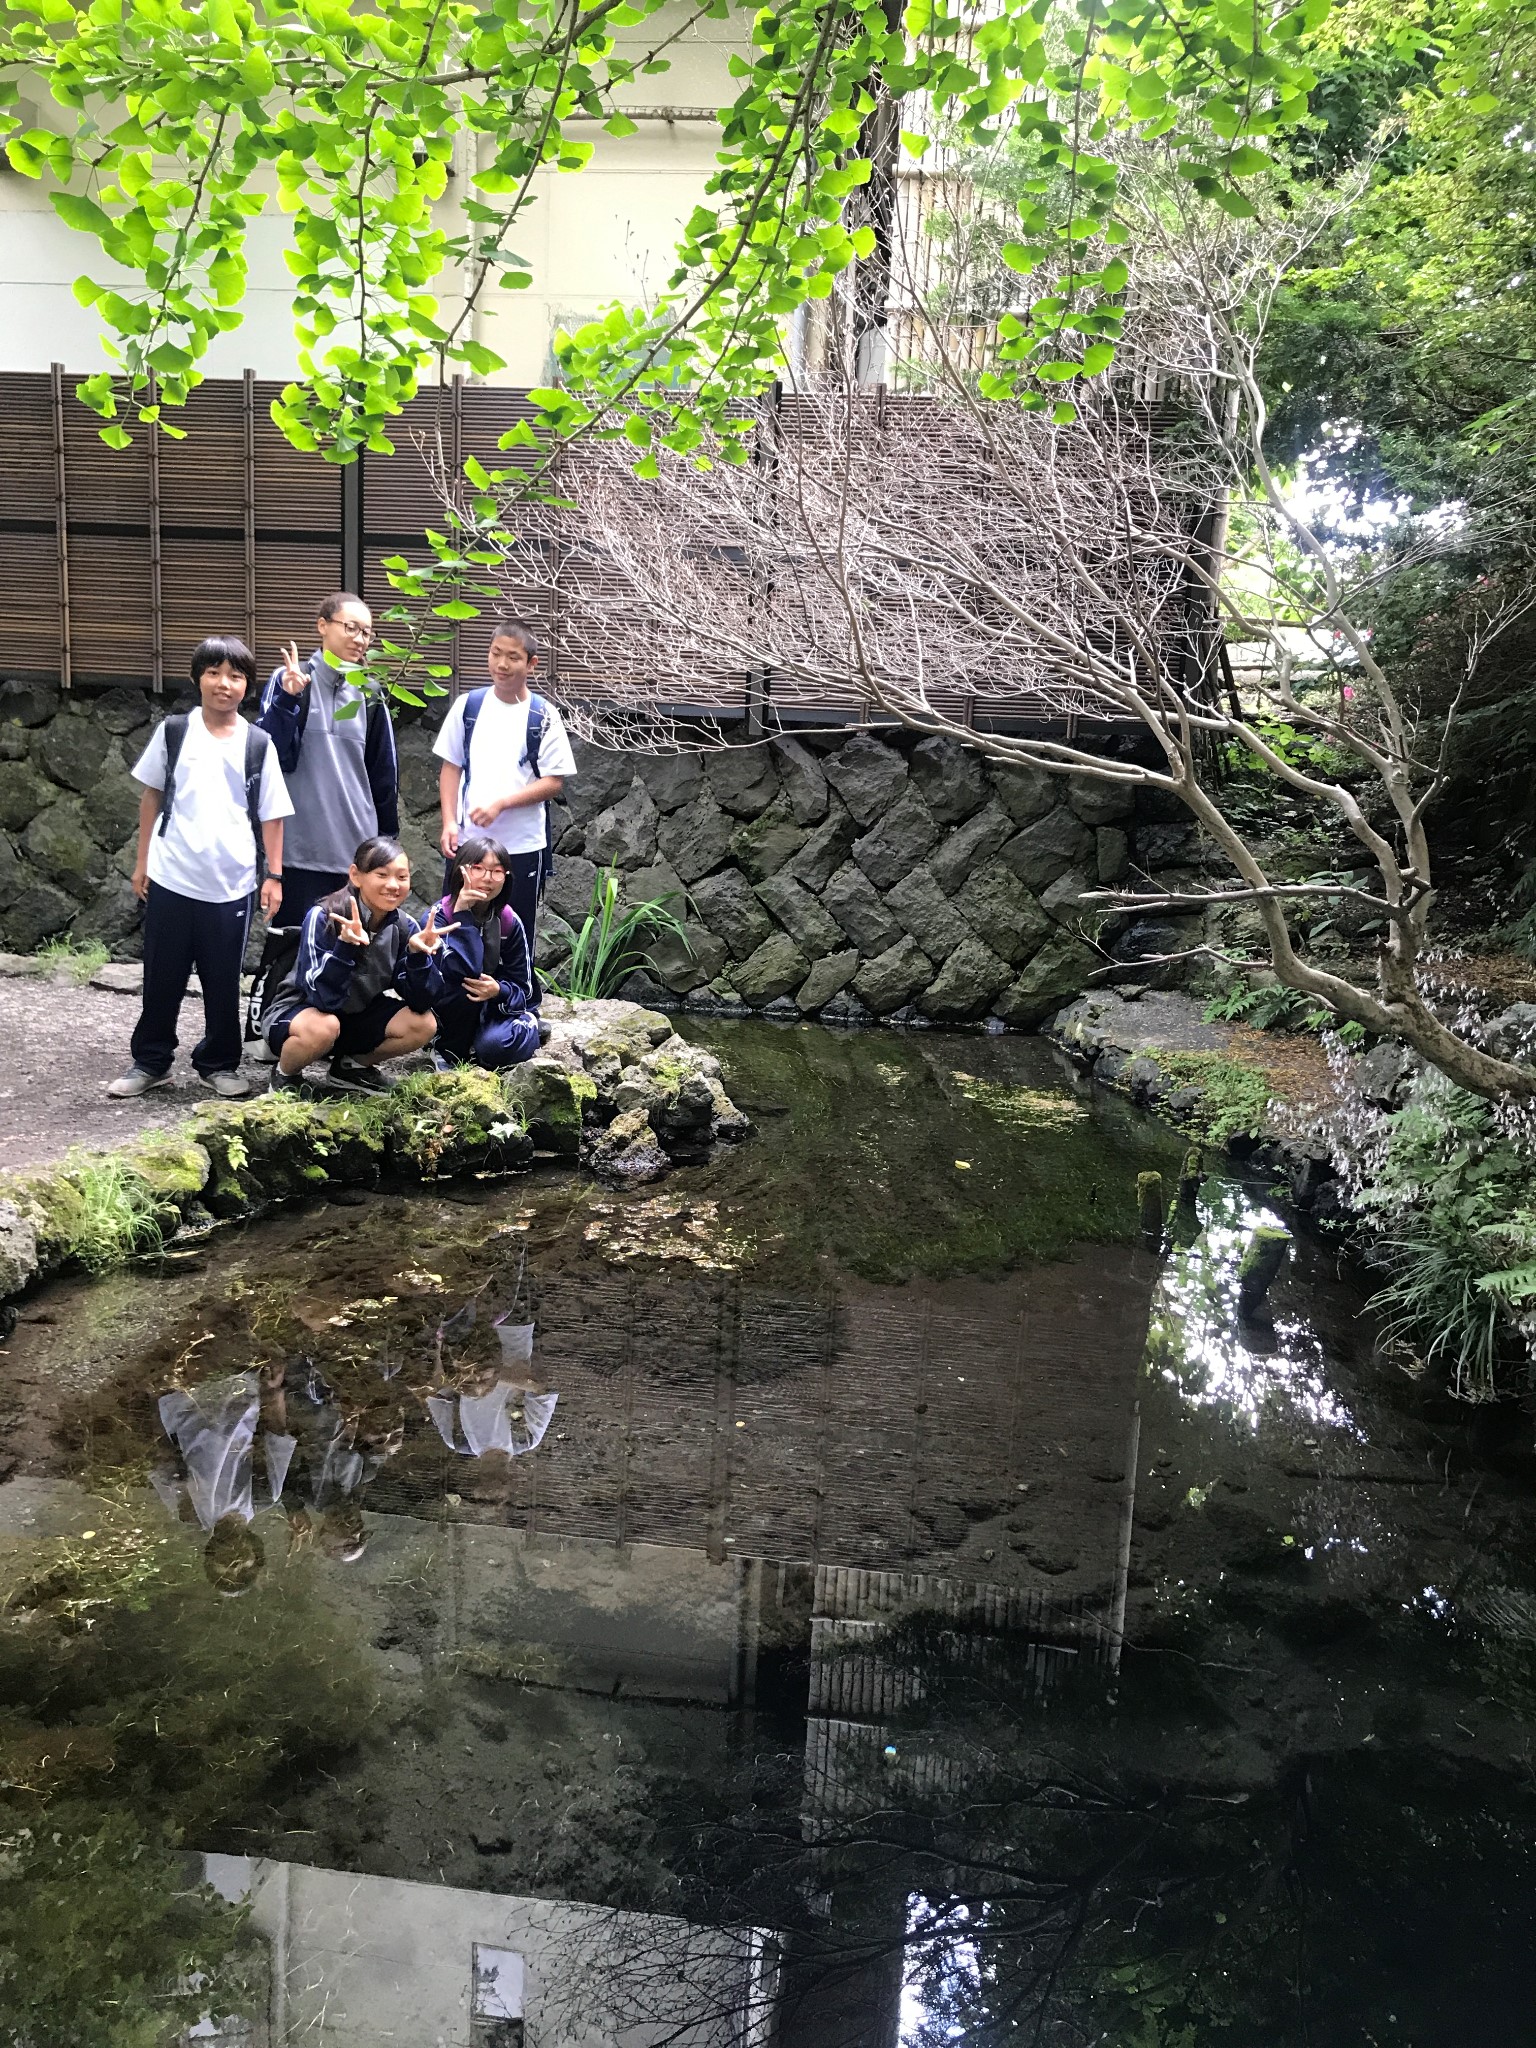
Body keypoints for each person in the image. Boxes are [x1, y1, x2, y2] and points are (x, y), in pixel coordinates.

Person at [108, 636, 291, 1101]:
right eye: (214, 673)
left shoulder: (258, 743)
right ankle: (151, 1061)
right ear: (198, 678)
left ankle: (219, 1062)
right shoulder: (174, 731)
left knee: (221, 978)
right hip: (171, 874)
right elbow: (152, 794)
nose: (223, 684)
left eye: (234, 676)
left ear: (247, 686)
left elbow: (272, 814)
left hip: (230, 883)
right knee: (162, 974)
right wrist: (142, 861)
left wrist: (274, 876)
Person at [433, 618, 576, 989]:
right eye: (496, 654)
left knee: (517, 926)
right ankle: (451, 1001)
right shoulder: (469, 706)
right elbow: (450, 768)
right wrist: (450, 821)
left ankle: (518, 1002)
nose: (501, 664)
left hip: (522, 846)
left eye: (513, 657)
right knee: (455, 917)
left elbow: (554, 782)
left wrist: (501, 804)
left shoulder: (542, 714)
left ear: (531, 664)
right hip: (468, 842)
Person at [259, 835, 446, 1096]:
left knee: (424, 1024)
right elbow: (320, 997)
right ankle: (285, 1075)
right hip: (302, 1014)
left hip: (355, 1014)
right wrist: (344, 948)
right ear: (356, 876)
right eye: (382, 874)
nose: (393, 885)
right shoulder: (324, 916)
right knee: (325, 1026)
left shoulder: (405, 928)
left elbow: (422, 1001)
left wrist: (417, 956)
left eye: (402, 877)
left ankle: (350, 1069)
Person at [256, 591, 400, 927]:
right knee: (291, 955)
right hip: (297, 851)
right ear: (323, 625)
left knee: (347, 955)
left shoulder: (370, 694)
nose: (359, 639)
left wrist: (387, 844)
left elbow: (383, 775)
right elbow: (268, 754)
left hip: (354, 855)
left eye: (366, 632)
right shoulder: (290, 679)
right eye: (351, 628)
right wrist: (287, 699)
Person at [432, 835, 541, 1071]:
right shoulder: (439, 917)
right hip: (451, 1007)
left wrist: (499, 990)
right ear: (460, 871)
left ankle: (526, 1027)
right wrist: (461, 914)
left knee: (494, 1048)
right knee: (462, 988)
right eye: (478, 868)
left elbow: (524, 988)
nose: (487, 878)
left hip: (494, 1006)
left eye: (496, 871)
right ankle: (449, 1049)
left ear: (506, 878)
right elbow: (463, 969)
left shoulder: (508, 921)